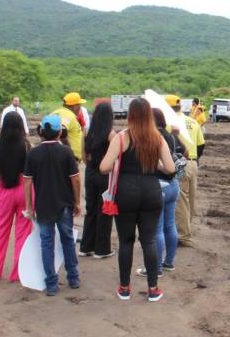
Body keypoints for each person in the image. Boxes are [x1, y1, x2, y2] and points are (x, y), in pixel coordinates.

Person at [100, 98, 175, 302]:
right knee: (148, 240)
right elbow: (170, 168)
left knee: (126, 241)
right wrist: (155, 164)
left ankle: (125, 288)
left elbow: (103, 167)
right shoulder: (157, 138)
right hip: (151, 192)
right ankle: (153, 289)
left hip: (126, 193)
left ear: (130, 115)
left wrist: (117, 159)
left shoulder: (122, 138)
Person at [23, 114, 81, 296]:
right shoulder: (66, 152)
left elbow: (27, 182)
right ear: (60, 132)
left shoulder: (33, 153)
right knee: (67, 241)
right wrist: (77, 201)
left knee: (46, 243)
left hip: (43, 206)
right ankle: (73, 277)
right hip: (64, 204)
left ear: (41, 132)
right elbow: (76, 180)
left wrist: (29, 206)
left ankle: (51, 284)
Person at [0, 112, 32, 282]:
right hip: (24, 189)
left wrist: (1, 171)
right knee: (23, 232)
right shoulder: (26, 144)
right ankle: (18, 273)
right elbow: (31, 172)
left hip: (4, 189)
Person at [136, 108, 182, 278]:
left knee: (157, 229)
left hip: (159, 185)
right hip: (173, 184)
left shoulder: (153, 138)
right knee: (170, 225)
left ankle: (156, 268)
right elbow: (182, 151)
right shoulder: (171, 135)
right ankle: (169, 262)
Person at [165, 95, 205, 248]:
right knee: (191, 198)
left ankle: (183, 236)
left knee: (180, 200)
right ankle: (187, 228)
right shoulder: (192, 121)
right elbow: (201, 145)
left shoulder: (169, 124)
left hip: (180, 163)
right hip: (193, 163)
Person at [79, 103, 115, 259]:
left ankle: (86, 247)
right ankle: (102, 249)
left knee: (91, 209)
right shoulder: (111, 134)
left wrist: (92, 167)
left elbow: (84, 158)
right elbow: (115, 158)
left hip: (90, 173)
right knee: (105, 210)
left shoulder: (87, 132)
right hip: (105, 175)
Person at [51, 92, 86, 162]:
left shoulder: (56, 112)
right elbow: (63, 131)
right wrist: (69, 151)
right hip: (68, 158)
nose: (80, 108)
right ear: (74, 106)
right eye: (79, 105)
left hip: (59, 156)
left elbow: (40, 128)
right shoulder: (68, 114)